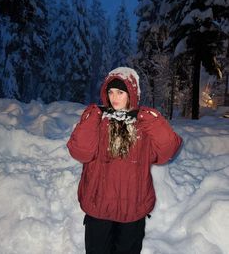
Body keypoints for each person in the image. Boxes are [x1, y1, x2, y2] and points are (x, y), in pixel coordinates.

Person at [67, 67, 182, 254]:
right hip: (99, 209)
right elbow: (81, 152)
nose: (114, 97)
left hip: (132, 209)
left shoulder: (143, 126)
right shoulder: (98, 122)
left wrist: (151, 120)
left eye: (120, 92)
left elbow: (167, 151)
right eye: (110, 92)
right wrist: (91, 117)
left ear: (131, 94)